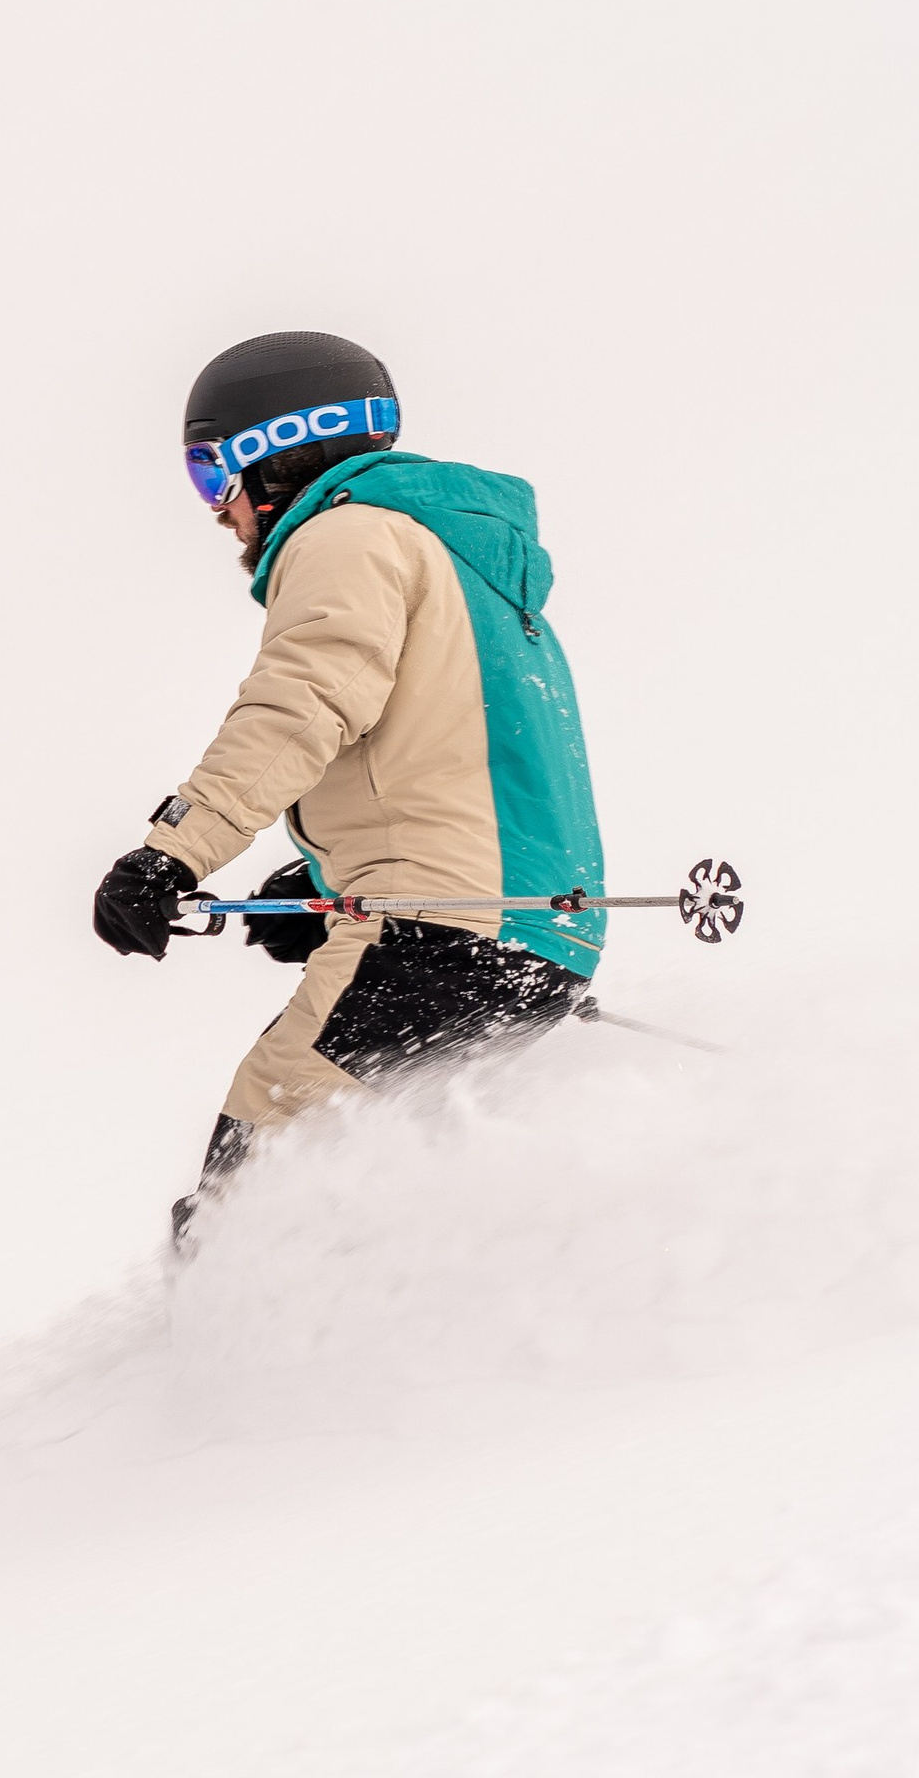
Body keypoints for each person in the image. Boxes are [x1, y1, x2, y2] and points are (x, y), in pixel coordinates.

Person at [92, 331, 606, 1231]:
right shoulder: (455, 557)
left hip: (440, 934)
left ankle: (250, 1347)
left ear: (279, 452)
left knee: (262, 1160)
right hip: (536, 942)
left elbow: (302, 706)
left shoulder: (346, 538)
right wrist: (329, 885)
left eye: (216, 475)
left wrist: (174, 852)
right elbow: (463, 759)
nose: (219, 511)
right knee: (381, 1181)